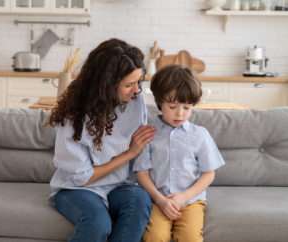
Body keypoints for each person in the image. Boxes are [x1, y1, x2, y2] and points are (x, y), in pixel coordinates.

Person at [46, 38, 155, 242]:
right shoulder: (73, 116)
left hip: (120, 187)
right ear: (105, 83)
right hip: (78, 189)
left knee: (140, 200)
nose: (137, 91)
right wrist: (129, 153)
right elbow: (82, 178)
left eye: (138, 82)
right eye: (129, 85)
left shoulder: (133, 100)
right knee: (97, 223)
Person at [133, 64, 225, 242]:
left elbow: (208, 174)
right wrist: (160, 200)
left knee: (190, 237)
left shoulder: (200, 135)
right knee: (154, 236)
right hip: (157, 200)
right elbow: (142, 173)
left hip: (190, 201)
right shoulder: (148, 134)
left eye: (187, 107)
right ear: (160, 102)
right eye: (173, 106)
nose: (180, 114)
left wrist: (184, 196)